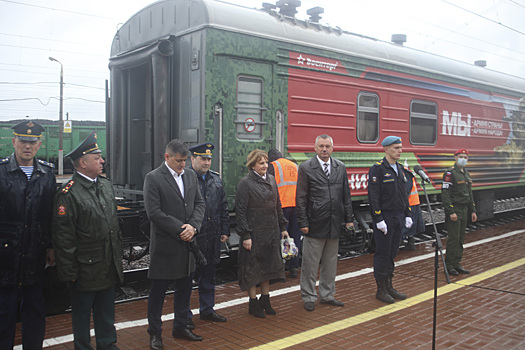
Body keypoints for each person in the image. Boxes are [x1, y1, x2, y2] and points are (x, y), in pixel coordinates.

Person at [52, 131, 123, 349]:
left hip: (107, 265)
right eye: (97, 158)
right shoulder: (68, 194)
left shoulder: (105, 185)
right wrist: (69, 273)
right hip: (84, 270)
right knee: (82, 318)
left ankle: (108, 345)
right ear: (82, 163)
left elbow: (112, 225)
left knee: (106, 315)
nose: (102, 161)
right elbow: (63, 238)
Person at [144, 139, 205, 348]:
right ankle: (155, 333)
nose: (183, 165)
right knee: (158, 292)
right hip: (166, 246)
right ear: (167, 157)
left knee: (185, 288)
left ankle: (180, 326)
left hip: (187, 244)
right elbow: (154, 213)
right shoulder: (153, 178)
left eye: (185, 161)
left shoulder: (189, 176)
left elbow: (199, 203)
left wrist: (194, 227)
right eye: (179, 161)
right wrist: (183, 229)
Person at [0, 121, 56, 349]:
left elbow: (51, 215)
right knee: (5, 311)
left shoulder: (47, 174)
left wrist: (51, 246)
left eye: (32, 142)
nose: (27, 146)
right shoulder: (2, 172)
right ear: (13, 141)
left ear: (39, 144)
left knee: (35, 310)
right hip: (6, 254)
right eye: (23, 141)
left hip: (35, 251)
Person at [296, 135, 354, 312]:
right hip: (315, 223)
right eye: (321, 146)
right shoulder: (306, 168)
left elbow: (346, 196)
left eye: (327, 146)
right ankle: (308, 296)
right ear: (315, 148)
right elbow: (301, 198)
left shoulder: (340, 167)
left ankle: (327, 295)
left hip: (334, 222)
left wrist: (349, 220)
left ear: (332, 148)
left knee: (330, 262)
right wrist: (303, 222)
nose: (324, 149)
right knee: (310, 263)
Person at [235, 149, 289, 318]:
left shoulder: (272, 180)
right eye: (261, 163)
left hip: (271, 232)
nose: (265, 166)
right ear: (252, 165)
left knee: (268, 267)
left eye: (266, 162)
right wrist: (245, 235)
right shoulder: (245, 183)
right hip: (254, 234)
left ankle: (265, 300)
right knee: (252, 270)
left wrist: (283, 228)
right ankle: (253, 302)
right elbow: (240, 212)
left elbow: (277, 206)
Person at [187, 143, 230, 325]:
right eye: (203, 158)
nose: (206, 162)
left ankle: (207, 309)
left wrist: (225, 230)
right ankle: (185, 316)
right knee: (187, 279)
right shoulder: (186, 178)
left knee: (209, 275)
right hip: (193, 238)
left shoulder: (216, 179)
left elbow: (223, 207)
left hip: (212, 235)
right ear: (193, 159)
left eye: (209, 159)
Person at [368, 136, 413, 304]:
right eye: (396, 148)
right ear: (386, 149)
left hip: (398, 216)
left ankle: (389, 286)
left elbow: (404, 195)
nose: (400, 150)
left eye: (401, 147)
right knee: (383, 253)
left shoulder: (400, 169)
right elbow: (374, 196)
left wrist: (408, 214)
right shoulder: (378, 169)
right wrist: (378, 218)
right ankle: (381, 289)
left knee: (393, 252)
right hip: (385, 217)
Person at [441, 149, 477, 276]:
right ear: (455, 158)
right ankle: (449, 265)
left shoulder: (466, 174)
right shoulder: (450, 173)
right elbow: (445, 194)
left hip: (464, 209)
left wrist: (473, 210)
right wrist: (451, 211)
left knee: (461, 238)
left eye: (466, 157)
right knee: (453, 239)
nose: (463, 159)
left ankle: (457, 263)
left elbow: (470, 194)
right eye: (461, 156)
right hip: (455, 209)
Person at [267, 149, 301, 278]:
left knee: (281, 238)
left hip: (282, 207)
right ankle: (293, 267)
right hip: (296, 206)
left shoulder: (273, 166)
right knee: (294, 237)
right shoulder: (294, 165)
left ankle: (280, 268)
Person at [399, 164, 425, 251]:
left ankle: (398, 245)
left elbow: (405, 190)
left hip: (409, 203)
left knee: (404, 226)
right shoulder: (407, 172)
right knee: (410, 226)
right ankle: (410, 243)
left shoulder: (403, 173)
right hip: (414, 201)